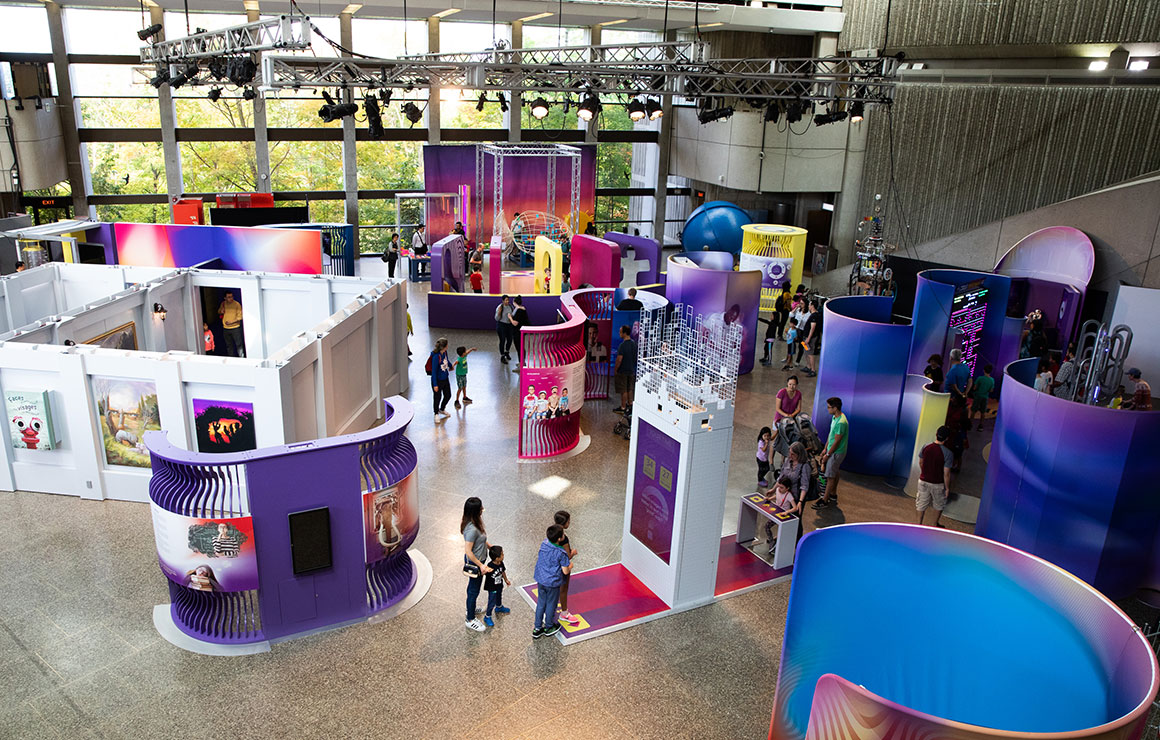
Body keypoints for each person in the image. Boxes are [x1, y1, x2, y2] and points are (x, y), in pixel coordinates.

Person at [533, 524, 572, 639]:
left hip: (541, 579)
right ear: (560, 539)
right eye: (563, 534)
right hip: (552, 582)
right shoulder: (561, 552)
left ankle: (537, 628)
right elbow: (565, 571)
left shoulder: (544, 544)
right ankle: (549, 626)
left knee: (541, 603)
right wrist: (570, 565)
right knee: (551, 604)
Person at [461, 497, 491, 632]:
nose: (482, 510)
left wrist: (490, 546)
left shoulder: (474, 522)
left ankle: (471, 608)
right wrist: (481, 565)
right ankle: (470, 619)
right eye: (480, 508)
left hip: (479, 561)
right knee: (473, 590)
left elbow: (481, 540)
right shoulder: (472, 529)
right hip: (475, 563)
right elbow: (468, 551)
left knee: (473, 588)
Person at [813, 397, 848, 509]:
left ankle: (825, 500)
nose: (827, 409)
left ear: (835, 408)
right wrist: (825, 448)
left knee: (830, 476)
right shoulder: (835, 417)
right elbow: (831, 435)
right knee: (834, 471)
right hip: (831, 450)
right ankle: (833, 494)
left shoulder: (841, 422)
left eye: (829, 407)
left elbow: (837, 441)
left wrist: (828, 455)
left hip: (836, 452)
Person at [916, 425, 953, 528]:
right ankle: (933, 525)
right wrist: (947, 488)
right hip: (938, 483)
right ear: (947, 438)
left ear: (936, 434)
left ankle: (918, 525)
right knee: (939, 504)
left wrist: (925, 472)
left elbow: (920, 462)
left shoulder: (926, 447)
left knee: (921, 503)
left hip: (923, 481)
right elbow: (946, 473)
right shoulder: (948, 453)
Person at [762, 475, 803, 552]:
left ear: (787, 488)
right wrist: (769, 498)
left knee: (782, 532)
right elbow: (777, 496)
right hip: (776, 514)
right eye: (779, 487)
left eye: (782, 488)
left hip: (784, 517)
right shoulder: (777, 490)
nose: (779, 489)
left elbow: (795, 508)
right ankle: (772, 541)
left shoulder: (789, 496)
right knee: (767, 526)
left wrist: (786, 512)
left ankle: (776, 545)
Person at [554, 511, 580, 626]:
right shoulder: (563, 539)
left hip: (552, 566)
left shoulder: (552, 533)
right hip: (563, 568)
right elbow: (566, 555)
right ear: (564, 523)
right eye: (569, 521)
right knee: (563, 589)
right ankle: (564, 613)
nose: (570, 523)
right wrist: (573, 553)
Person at [482, 545, 511, 627]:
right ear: (496, 558)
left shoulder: (501, 563)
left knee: (499, 596)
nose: (503, 555)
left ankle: (499, 607)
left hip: (499, 585)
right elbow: (483, 573)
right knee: (491, 601)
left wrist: (506, 580)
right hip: (492, 587)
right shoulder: (490, 566)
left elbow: (503, 572)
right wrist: (484, 570)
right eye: (502, 554)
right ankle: (487, 616)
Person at [614, 325, 637, 414]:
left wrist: (616, 369)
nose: (619, 334)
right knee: (630, 388)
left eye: (620, 332)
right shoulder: (634, 344)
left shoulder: (622, 346)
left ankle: (623, 407)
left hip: (623, 371)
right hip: (631, 370)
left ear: (624, 333)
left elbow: (619, 359)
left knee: (623, 390)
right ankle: (630, 405)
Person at [430, 338, 452, 419]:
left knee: (448, 395)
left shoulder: (445, 353)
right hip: (438, 381)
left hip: (445, 378)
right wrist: (435, 384)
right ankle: (436, 413)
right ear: (444, 346)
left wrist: (451, 366)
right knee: (437, 397)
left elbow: (446, 360)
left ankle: (442, 409)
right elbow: (434, 372)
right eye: (447, 345)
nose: (448, 346)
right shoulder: (436, 357)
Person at [217, 291, 244, 357]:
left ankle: (242, 359)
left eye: (232, 296)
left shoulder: (237, 304)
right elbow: (219, 312)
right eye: (229, 297)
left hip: (235, 328)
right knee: (229, 346)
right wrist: (221, 311)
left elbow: (240, 317)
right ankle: (231, 360)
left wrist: (231, 322)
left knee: (239, 345)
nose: (231, 298)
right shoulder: (223, 304)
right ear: (225, 298)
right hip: (226, 328)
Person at [969, 364, 995, 431]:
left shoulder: (980, 378)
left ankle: (970, 424)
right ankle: (981, 426)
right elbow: (991, 390)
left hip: (978, 396)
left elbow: (975, 388)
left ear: (984, 370)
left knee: (973, 410)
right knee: (983, 412)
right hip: (985, 397)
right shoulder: (992, 380)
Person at [802, 299, 822, 377]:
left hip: (810, 338)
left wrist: (808, 338)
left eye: (809, 305)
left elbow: (812, 328)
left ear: (812, 306)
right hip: (806, 337)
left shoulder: (814, 316)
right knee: (806, 352)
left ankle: (813, 370)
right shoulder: (814, 314)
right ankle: (808, 366)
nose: (808, 306)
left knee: (810, 353)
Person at [509, 296, 529, 368]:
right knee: (520, 347)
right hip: (520, 331)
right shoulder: (521, 309)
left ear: (515, 302)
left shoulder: (519, 311)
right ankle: (521, 362)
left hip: (518, 332)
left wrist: (510, 318)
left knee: (519, 347)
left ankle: (521, 364)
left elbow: (515, 323)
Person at [495, 295, 514, 363]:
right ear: (503, 301)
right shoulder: (500, 307)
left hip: (509, 325)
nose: (507, 301)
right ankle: (502, 356)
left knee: (510, 340)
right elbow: (496, 318)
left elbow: (513, 314)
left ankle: (507, 352)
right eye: (506, 300)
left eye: (508, 300)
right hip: (501, 325)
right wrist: (499, 313)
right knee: (502, 340)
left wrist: (511, 317)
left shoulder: (511, 307)